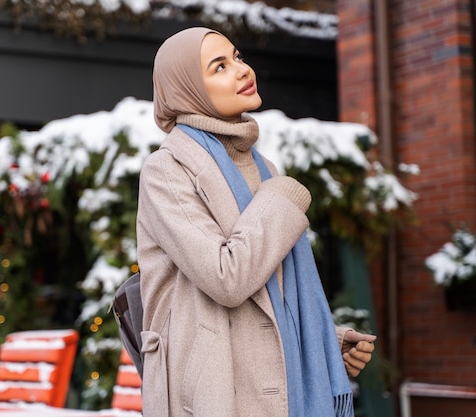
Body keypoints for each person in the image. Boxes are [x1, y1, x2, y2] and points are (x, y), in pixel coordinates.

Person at [136, 27, 376, 417]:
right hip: (212, 393)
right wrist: (282, 198)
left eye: (237, 57)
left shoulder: (262, 168)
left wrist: (323, 345)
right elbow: (226, 278)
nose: (242, 70)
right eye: (219, 66)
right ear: (188, 88)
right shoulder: (167, 170)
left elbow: (270, 293)